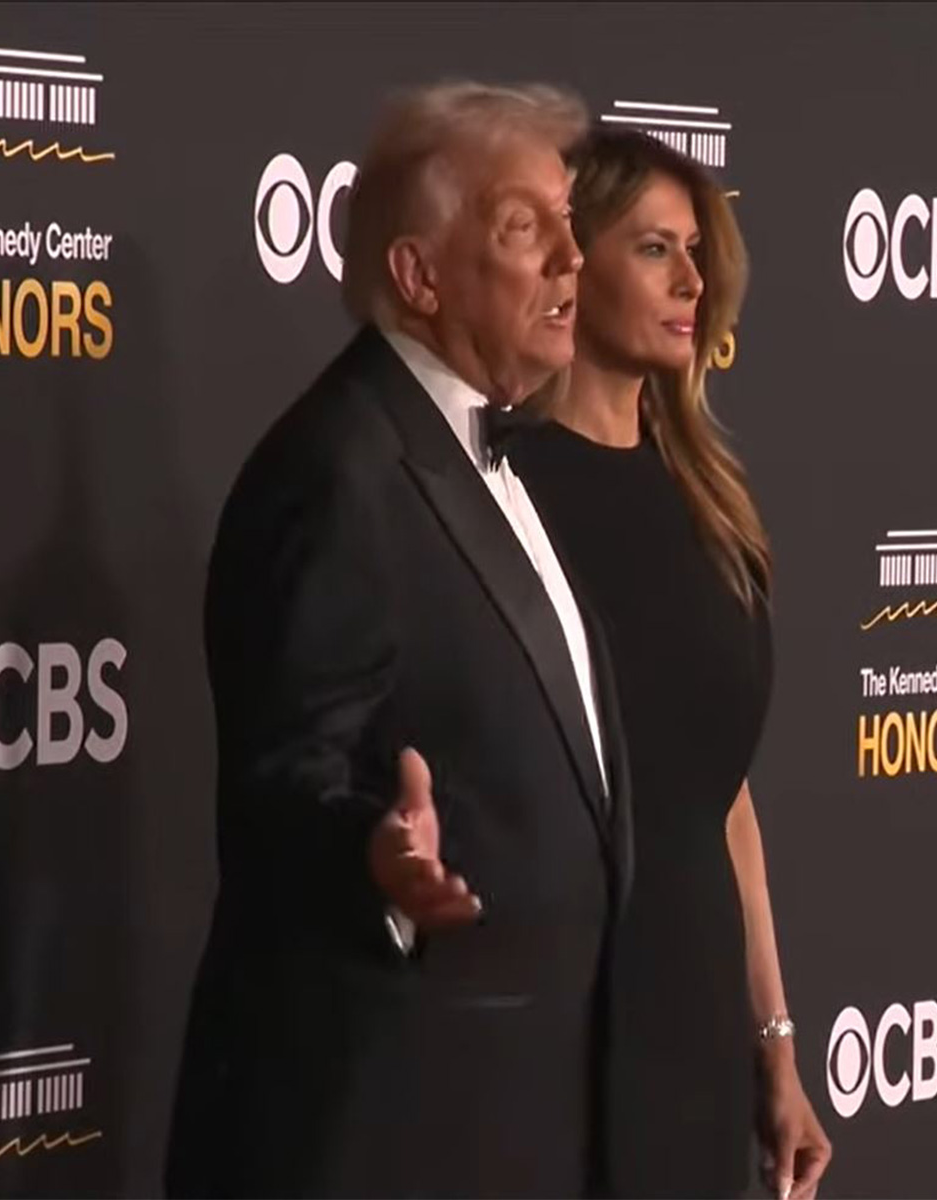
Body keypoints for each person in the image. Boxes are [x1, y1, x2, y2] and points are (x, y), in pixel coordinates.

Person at [165, 83, 633, 1198]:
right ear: (419, 277)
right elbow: (285, 780)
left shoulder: (490, 453)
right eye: (528, 230)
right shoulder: (337, 474)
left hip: (515, 1116)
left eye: (572, 222)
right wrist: (372, 857)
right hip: (382, 1126)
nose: (577, 258)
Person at [507, 127, 833, 1200]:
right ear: (572, 258)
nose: (692, 280)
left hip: (693, 1005)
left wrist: (775, 1046)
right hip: (554, 1019)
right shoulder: (499, 502)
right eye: (654, 249)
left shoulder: (708, 502)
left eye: (696, 252)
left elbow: (721, 796)